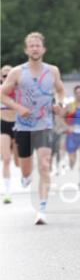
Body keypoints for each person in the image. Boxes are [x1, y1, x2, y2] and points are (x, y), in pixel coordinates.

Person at [0, 33, 65, 224]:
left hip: (44, 124)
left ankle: (42, 210)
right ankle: (25, 177)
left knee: (44, 166)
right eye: (31, 46)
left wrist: (59, 104)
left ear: (43, 49)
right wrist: (19, 108)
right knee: (26, 169)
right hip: (23, 126)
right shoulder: (17, 73)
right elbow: (2, 94)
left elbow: (60, 90)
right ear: (26, 50)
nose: (35, 48)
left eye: (38, 45)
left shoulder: (52, 71)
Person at [1, 64, 18, 204]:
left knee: (18, 161)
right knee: (6, 159)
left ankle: (25, 177)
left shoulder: (20, 91)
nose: (6, 77)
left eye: (8, 75)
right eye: (4, 75)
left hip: (18, 126)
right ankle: (7, 192)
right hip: (4, 125)